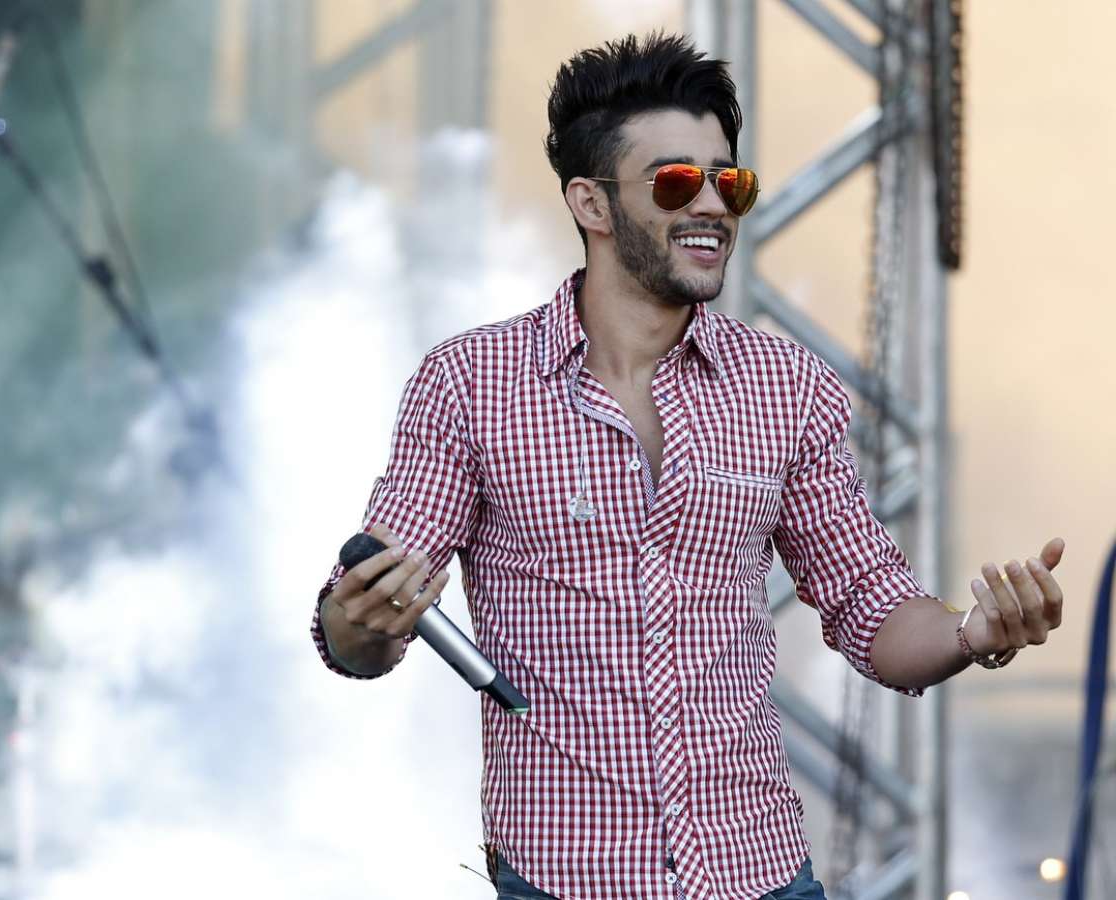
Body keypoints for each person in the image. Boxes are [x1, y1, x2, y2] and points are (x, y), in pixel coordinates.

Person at [311, 32, 1066, 900]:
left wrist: (976, 634)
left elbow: (872, 610)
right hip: (566, 878)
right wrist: (362, 621)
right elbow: (365, 619)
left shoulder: (785, 385)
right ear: (591, 203)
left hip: (758, 871)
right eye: (675, 182)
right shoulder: (471, 383)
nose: (711, 204)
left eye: (728, 182)